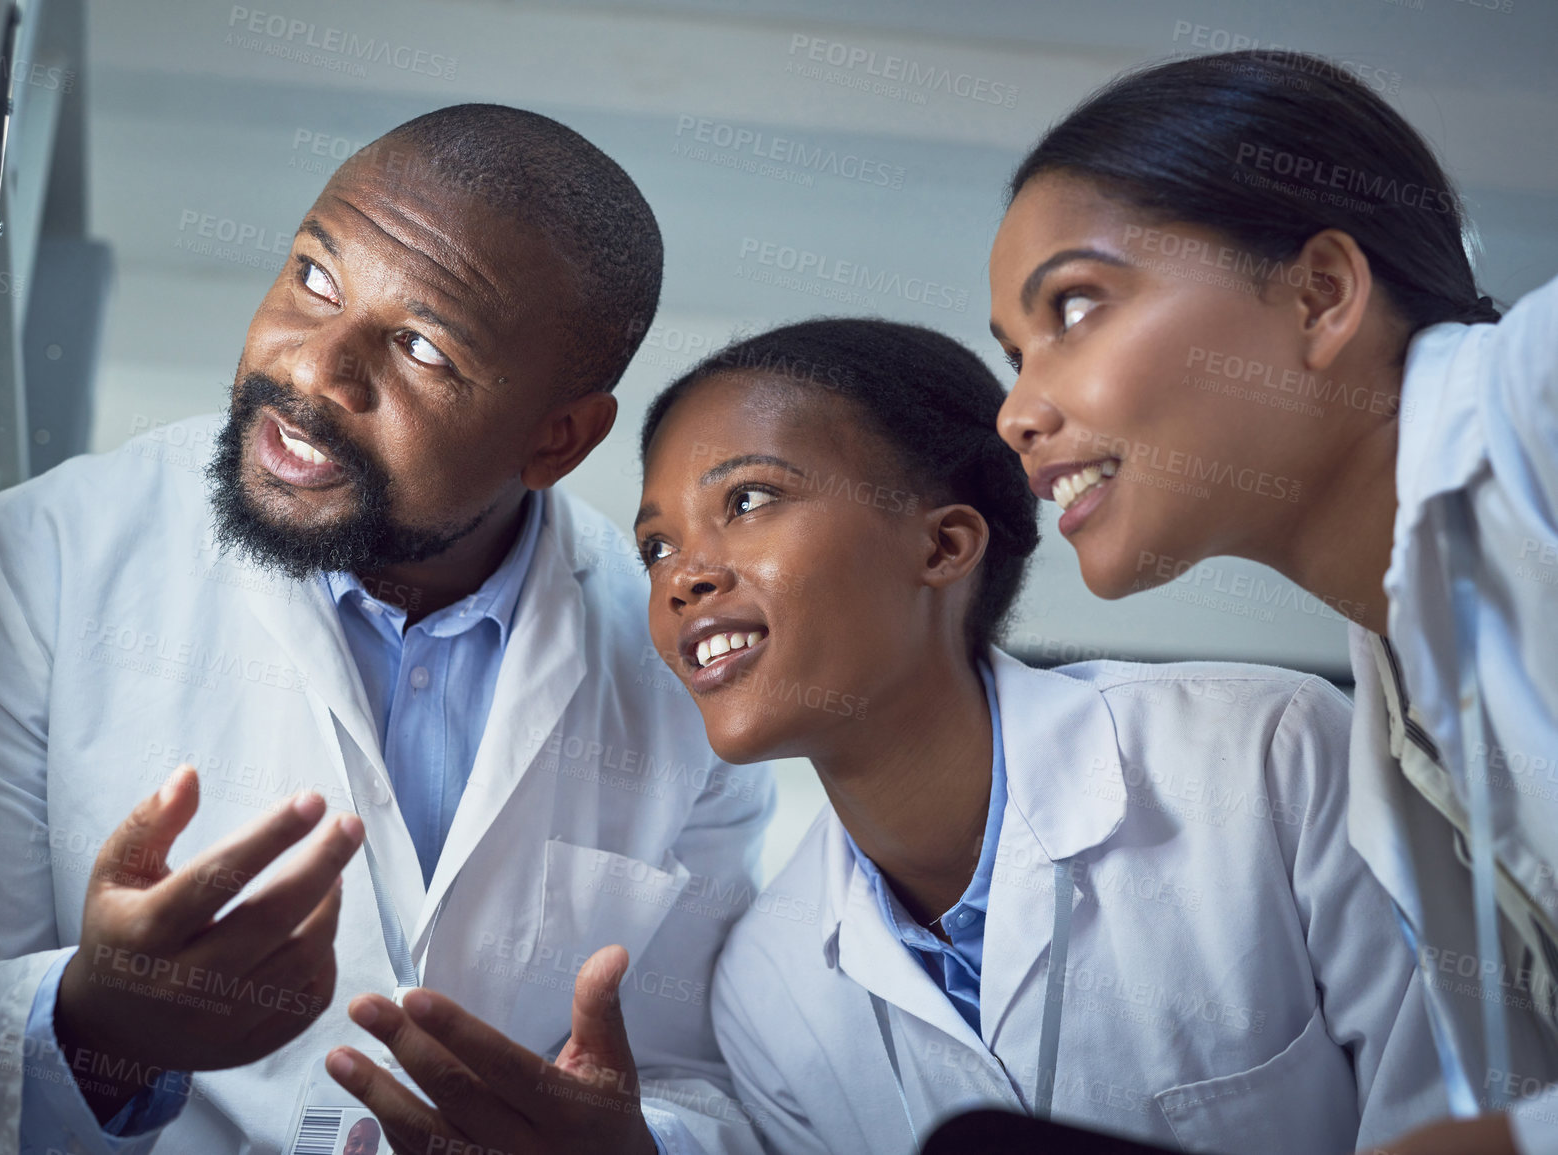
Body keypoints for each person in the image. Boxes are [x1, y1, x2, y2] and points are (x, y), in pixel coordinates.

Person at [0, 104, 772, 1155]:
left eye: (420, 346)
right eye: (314, 277)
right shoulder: (41, 561)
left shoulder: (685, 662)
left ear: (557, 437)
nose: (314, 371)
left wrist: (628, 1147)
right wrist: (87, 1024)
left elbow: (692, 1080)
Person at [633, 318, 1447, 1154]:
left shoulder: (1265, 758)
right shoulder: (766, 988)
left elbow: (1472, 1110)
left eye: (749, 499)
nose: (682, 578)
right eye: (655, 546)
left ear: (944, 545)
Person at [985, 50, 1558, 1154]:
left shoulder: (1533, 400)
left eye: (1074, 307)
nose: (1016, 409)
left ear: (1321, 295)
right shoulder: (1395, 748)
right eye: (1012, 353)